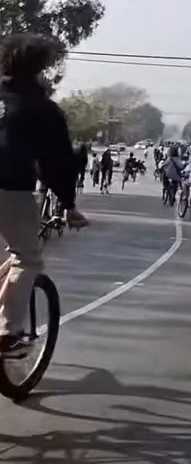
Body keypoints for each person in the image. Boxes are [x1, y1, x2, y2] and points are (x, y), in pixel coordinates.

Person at [0, 33, 89, 355]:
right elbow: (58, 162)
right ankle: (9, 334)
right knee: (27, 258)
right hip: (9, 187)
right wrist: (68, 205)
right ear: (42, 69)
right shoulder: (41, 109)